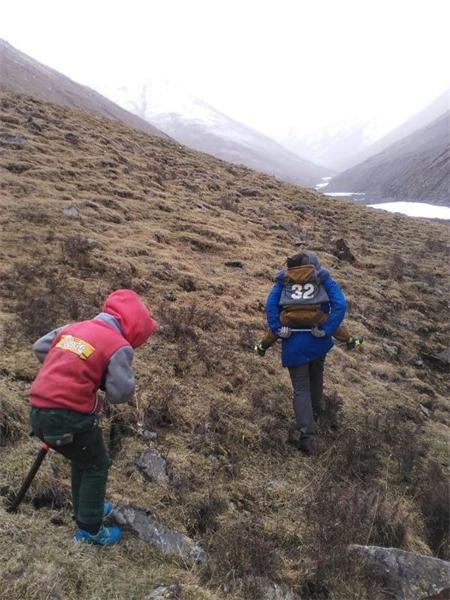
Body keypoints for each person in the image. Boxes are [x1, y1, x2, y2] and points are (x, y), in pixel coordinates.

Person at [29, 289, 157, 545]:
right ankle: (89, 529)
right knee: (97, 464)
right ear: (135, 331)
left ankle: (87, 508)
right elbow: (119, 393)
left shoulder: (74, 327)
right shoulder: (118, 345)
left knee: (82, 458)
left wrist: (71, 367)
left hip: (37, 410)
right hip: (70, 417)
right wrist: (98, 377)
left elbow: (41, 347)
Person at [259, 251, 354, 455]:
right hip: (318, 341)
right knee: (316, 377)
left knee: (301, 388)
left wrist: (276, 329)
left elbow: (270, 305)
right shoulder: (322, 279)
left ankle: (307, 438)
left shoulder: (284, 281)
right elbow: (340, 304)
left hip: (294, 343)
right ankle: (315, 416)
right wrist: (327, 329)